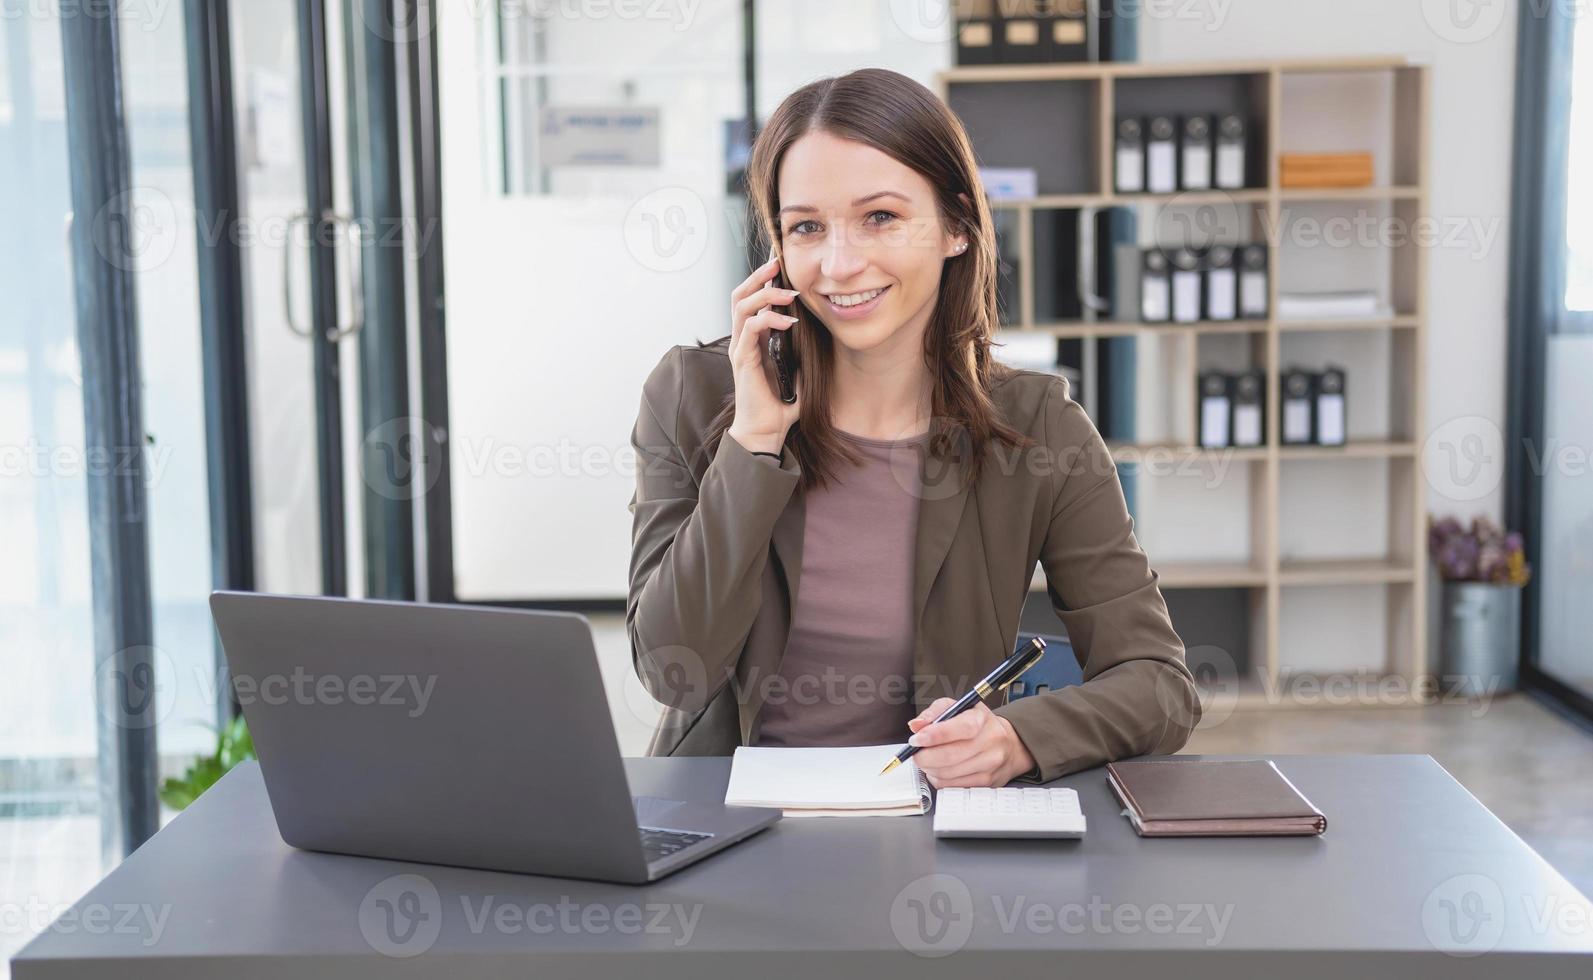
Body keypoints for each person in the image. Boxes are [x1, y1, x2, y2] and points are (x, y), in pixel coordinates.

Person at [627, 68, 1200, 788]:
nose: (838, 265)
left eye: (881, 218)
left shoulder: (1038, 427)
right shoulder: (694, 394)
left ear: (956, 226)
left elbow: (1158, 685)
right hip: (726, 822)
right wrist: (751, 446)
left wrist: (1019, 739)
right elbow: (671, 673)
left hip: (931, 828)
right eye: (806, 226)